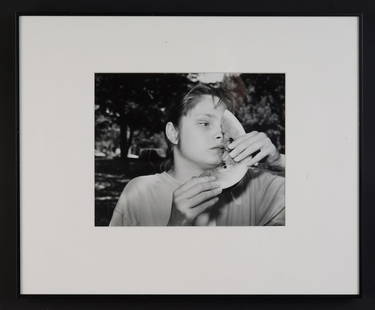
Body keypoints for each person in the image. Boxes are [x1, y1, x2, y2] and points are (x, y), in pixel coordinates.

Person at [110, 84, 285, 226]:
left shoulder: (256, 186)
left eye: (222, 125)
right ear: (174, 133)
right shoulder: (139, 192)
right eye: (205, 123)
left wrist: (278, 161)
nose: (220, 134)